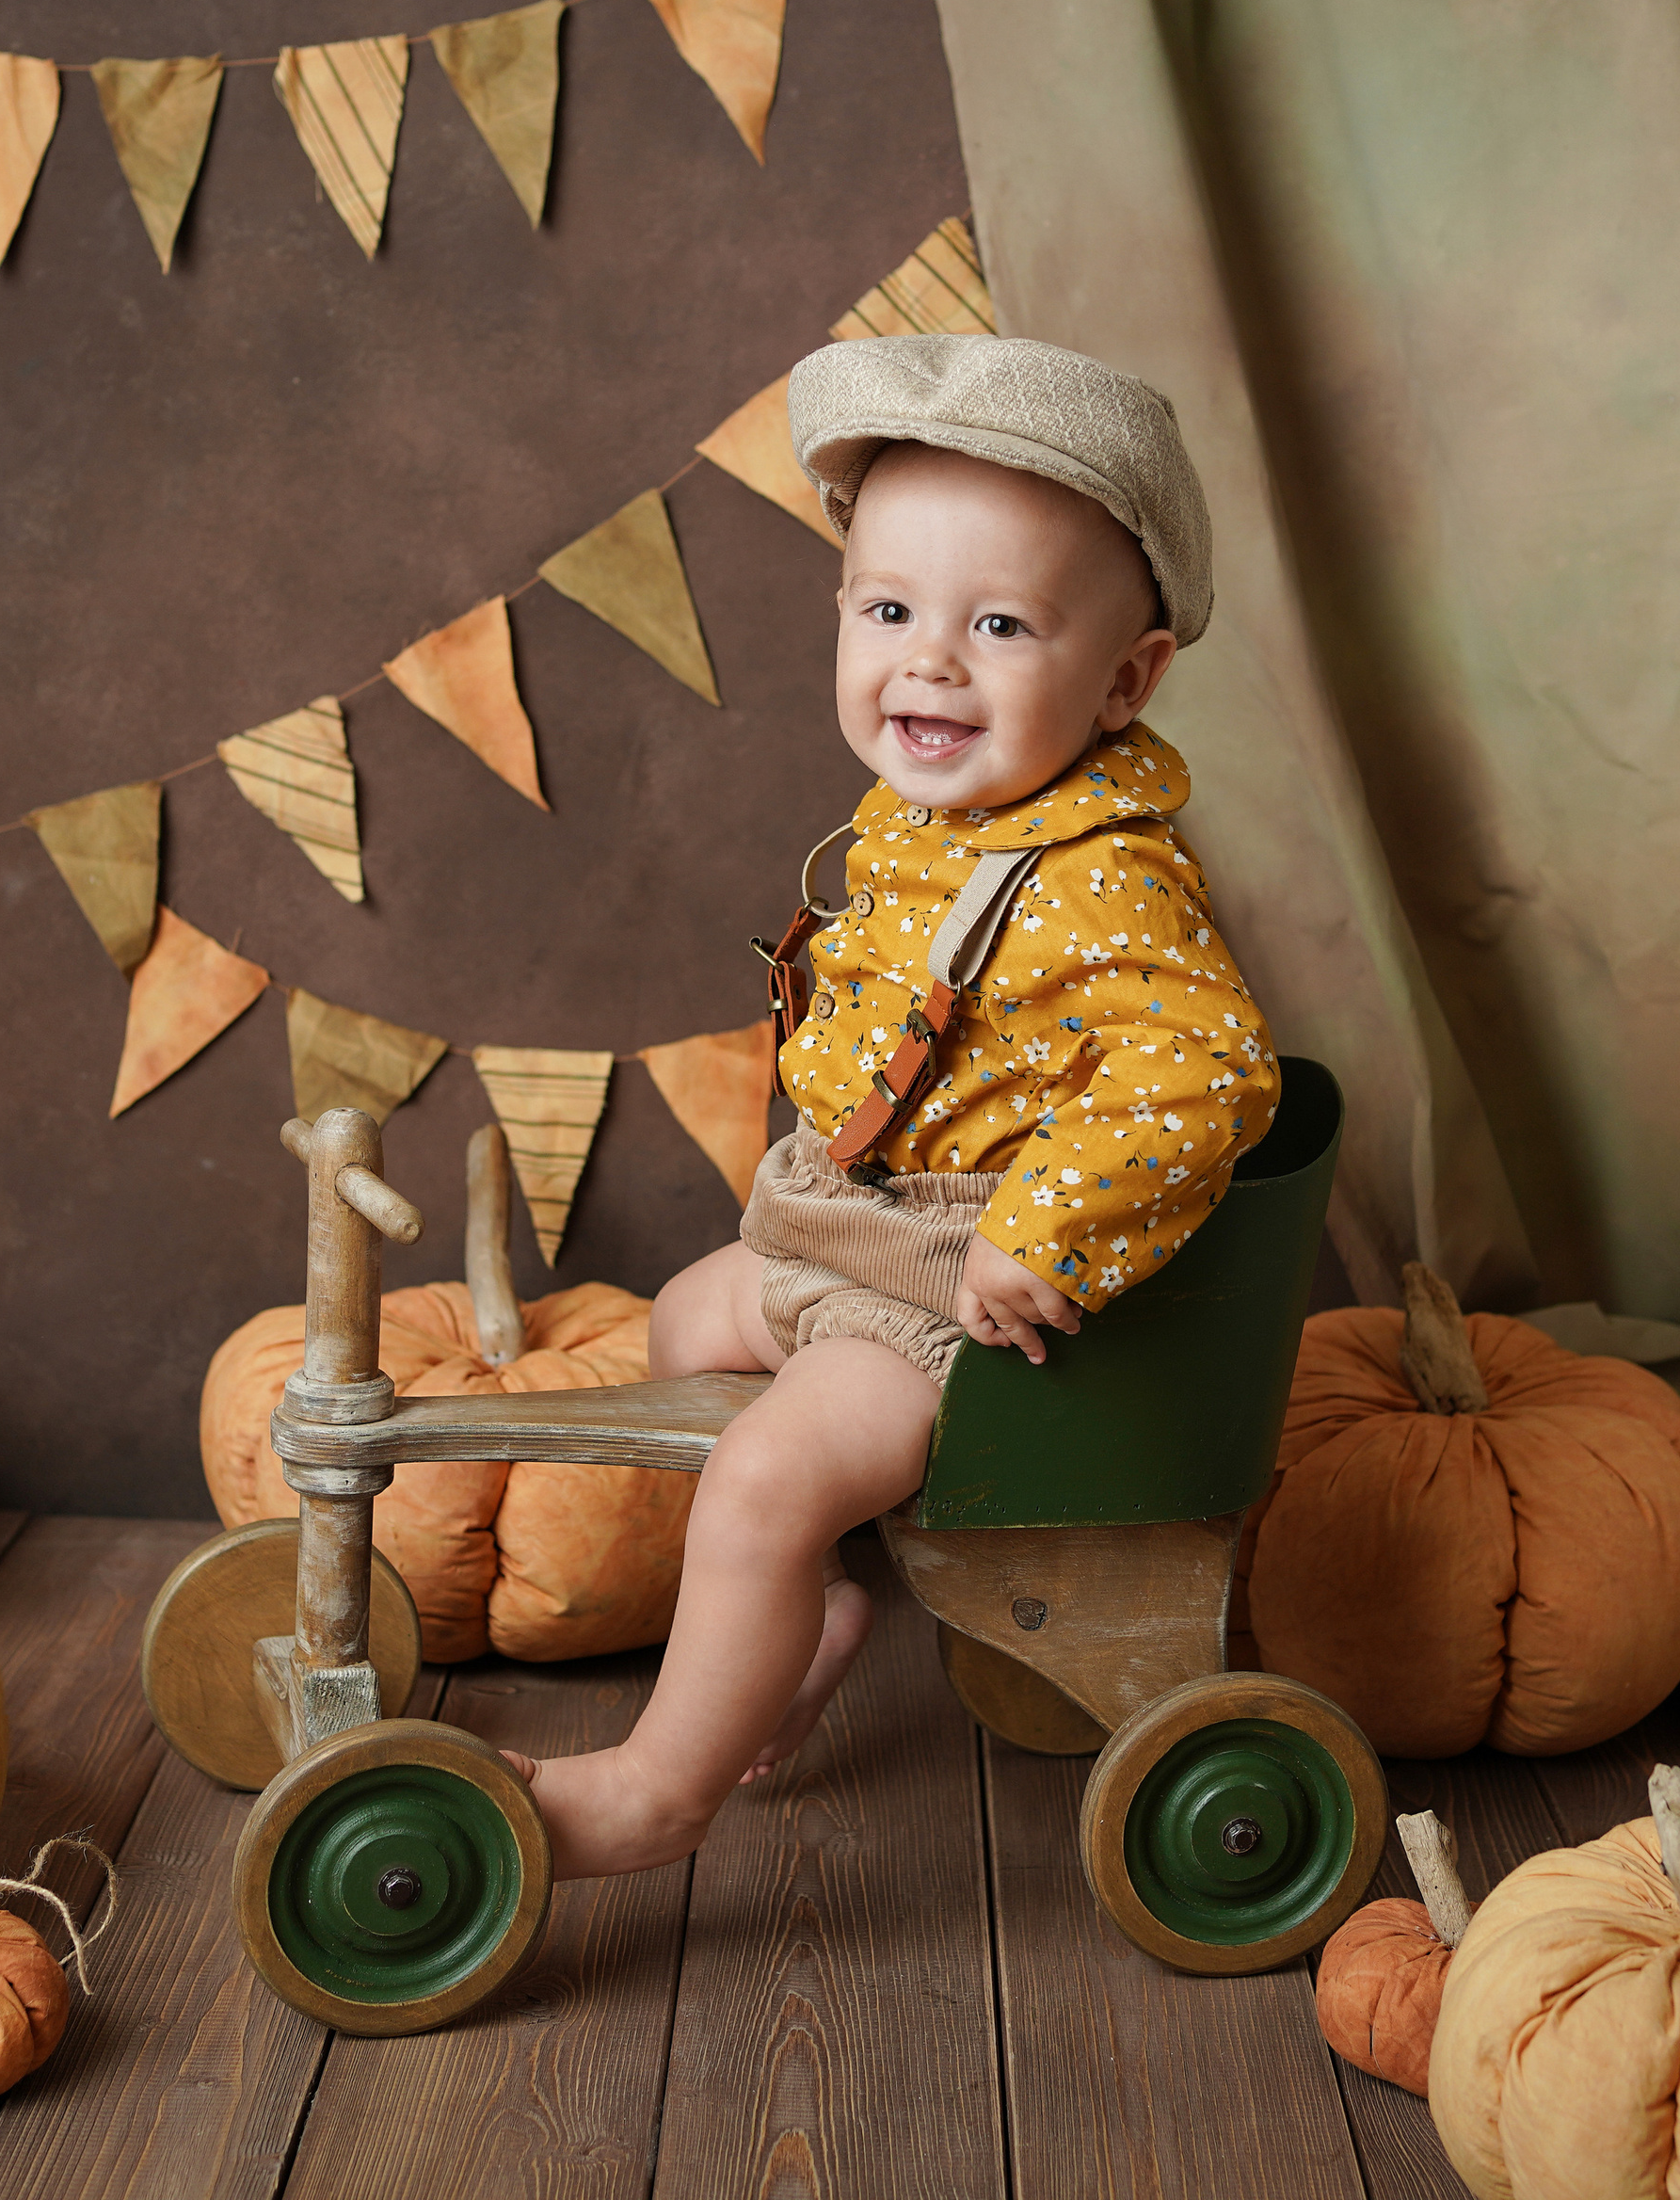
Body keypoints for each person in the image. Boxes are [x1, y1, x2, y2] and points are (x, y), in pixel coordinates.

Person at [511, 332, 1281, 1880]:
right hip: (853, 1231)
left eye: (999, 624)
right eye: (889, 611)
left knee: (759, 1474)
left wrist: (1048, 1232)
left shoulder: (1104, 879)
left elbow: (1208, 1068)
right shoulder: (930, 813)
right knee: (684, 1326)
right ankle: (821, 1599)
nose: (927, 662)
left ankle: (663, 1793)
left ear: (1125, 679)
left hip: (957, 1296)